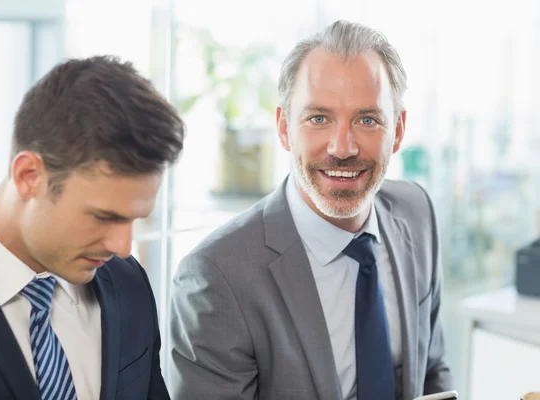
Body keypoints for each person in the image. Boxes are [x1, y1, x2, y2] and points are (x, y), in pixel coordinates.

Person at [169, 20, 453, 400]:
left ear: (398, 130)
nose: (342, 147)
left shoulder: (416, 213)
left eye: (367, 119)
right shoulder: (216, 277)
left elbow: (433, 368)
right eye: (319, 118)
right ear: (284, 128)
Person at [0, 56, 184, 400]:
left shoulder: (128, 283)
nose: (123, 247)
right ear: (29, 176)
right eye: (104, 216)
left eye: (134, 219)